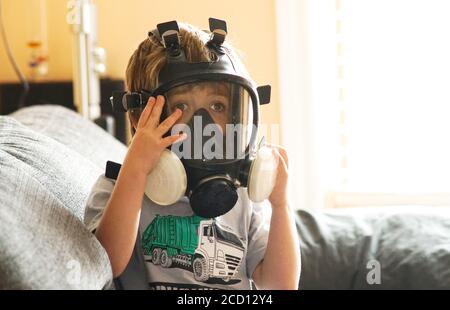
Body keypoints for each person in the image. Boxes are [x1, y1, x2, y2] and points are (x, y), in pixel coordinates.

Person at [84, 19, 300, 290]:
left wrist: (280, 205)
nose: (203, 124)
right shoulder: (117, 187)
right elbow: (106, 264)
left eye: (217, 105)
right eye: (182, 106)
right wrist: (136, 170)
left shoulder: (244, 198)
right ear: (141, 117)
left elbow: (281, 285)